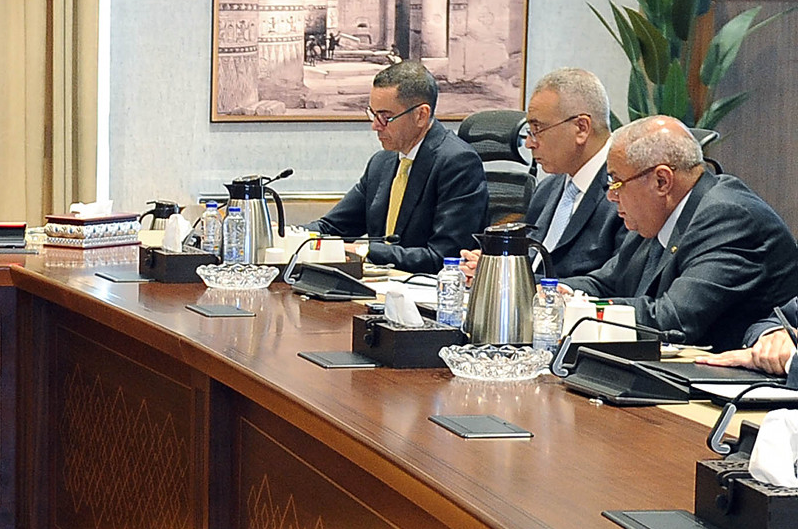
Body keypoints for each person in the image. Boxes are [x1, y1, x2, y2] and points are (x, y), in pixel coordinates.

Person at [556, 116, 798, 352]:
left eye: (617, 182)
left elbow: (672, 320)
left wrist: (580, 309)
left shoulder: (729, 218)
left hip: (733, 374)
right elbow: (605, 283)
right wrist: (551, 293)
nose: (611, 196)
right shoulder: (658, 214)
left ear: (662, 181)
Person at [305, 60, 488, 274]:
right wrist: (289, 235)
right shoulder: (381, 163)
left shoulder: (457, 163)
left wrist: (364, 251)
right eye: (373, 114)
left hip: (426, 289)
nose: (375, 125)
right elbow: (332, 227)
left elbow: (445, 257)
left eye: (386, 117)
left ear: (421, 115)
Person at [460, 68, 627, 281]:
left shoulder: (625, 190)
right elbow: (529, 259)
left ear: (581, 128)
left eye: (537, 129)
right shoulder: (547, 189)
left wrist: (509, 278)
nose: (529, 143)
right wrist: (493, 264)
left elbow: (612, 282)